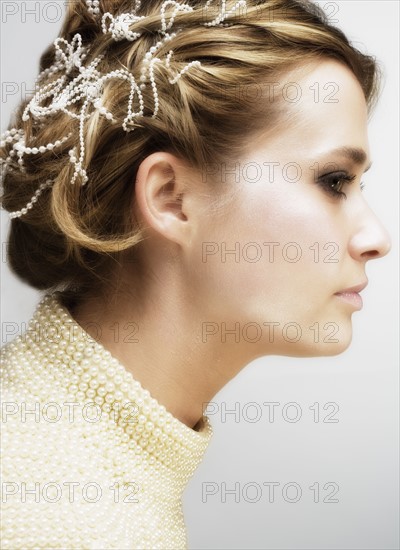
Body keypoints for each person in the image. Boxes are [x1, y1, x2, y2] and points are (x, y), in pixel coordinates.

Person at [0, 0, 391, 548]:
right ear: (172, 198)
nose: (376, 240)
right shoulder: (72, 523)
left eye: (357, 186)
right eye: (333, 181)